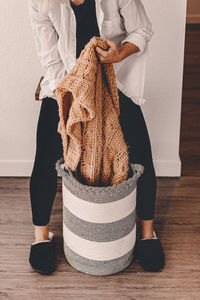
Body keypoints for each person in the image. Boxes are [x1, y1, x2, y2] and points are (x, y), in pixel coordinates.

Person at [28, 0, 165, 275]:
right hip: (67, 82)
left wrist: (120, 54)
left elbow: (142, 29)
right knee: (45, 153)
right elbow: (50, 57)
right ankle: (40, 238)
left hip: (115, 81)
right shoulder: (40, 3)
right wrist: (68, 99)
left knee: (140, 153)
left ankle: (148, 233)